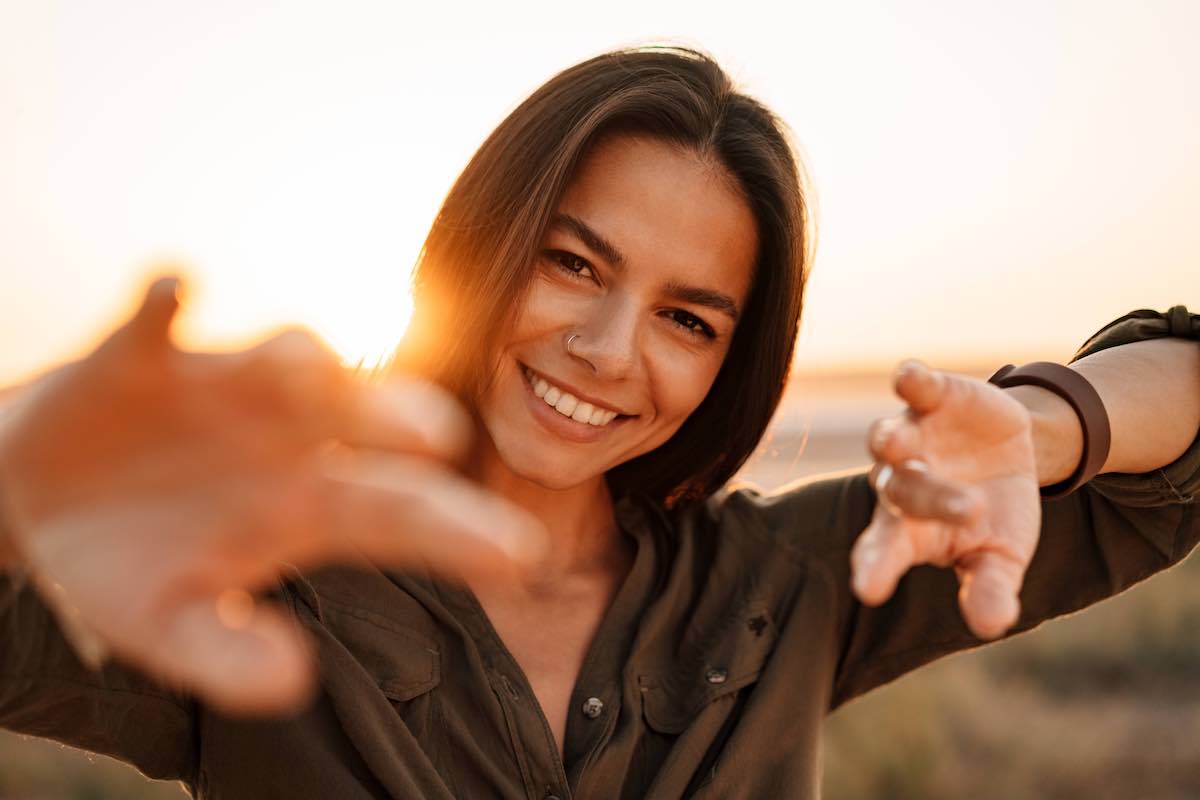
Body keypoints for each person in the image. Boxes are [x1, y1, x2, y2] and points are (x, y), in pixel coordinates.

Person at [0, 45, 1197, 799]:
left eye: (688, 318)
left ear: (734, 359)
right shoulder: (242, 566)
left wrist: (1040, 429)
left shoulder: (799, 574)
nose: (609, 350)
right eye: (573, 263)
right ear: (484, 244)